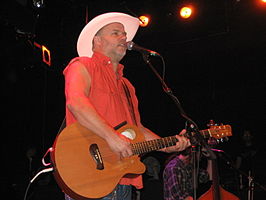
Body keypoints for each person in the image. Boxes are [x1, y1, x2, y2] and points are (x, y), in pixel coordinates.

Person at [63, 12, 191, 200]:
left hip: (123, 180)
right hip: (89, 178)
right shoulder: (82, 65)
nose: (123, 37)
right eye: (116, 33)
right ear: (97, 40)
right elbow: (76, 102)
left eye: (124, 34)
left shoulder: (127, 86)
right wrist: (111, 137)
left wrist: (168, 145)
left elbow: (137, 130)